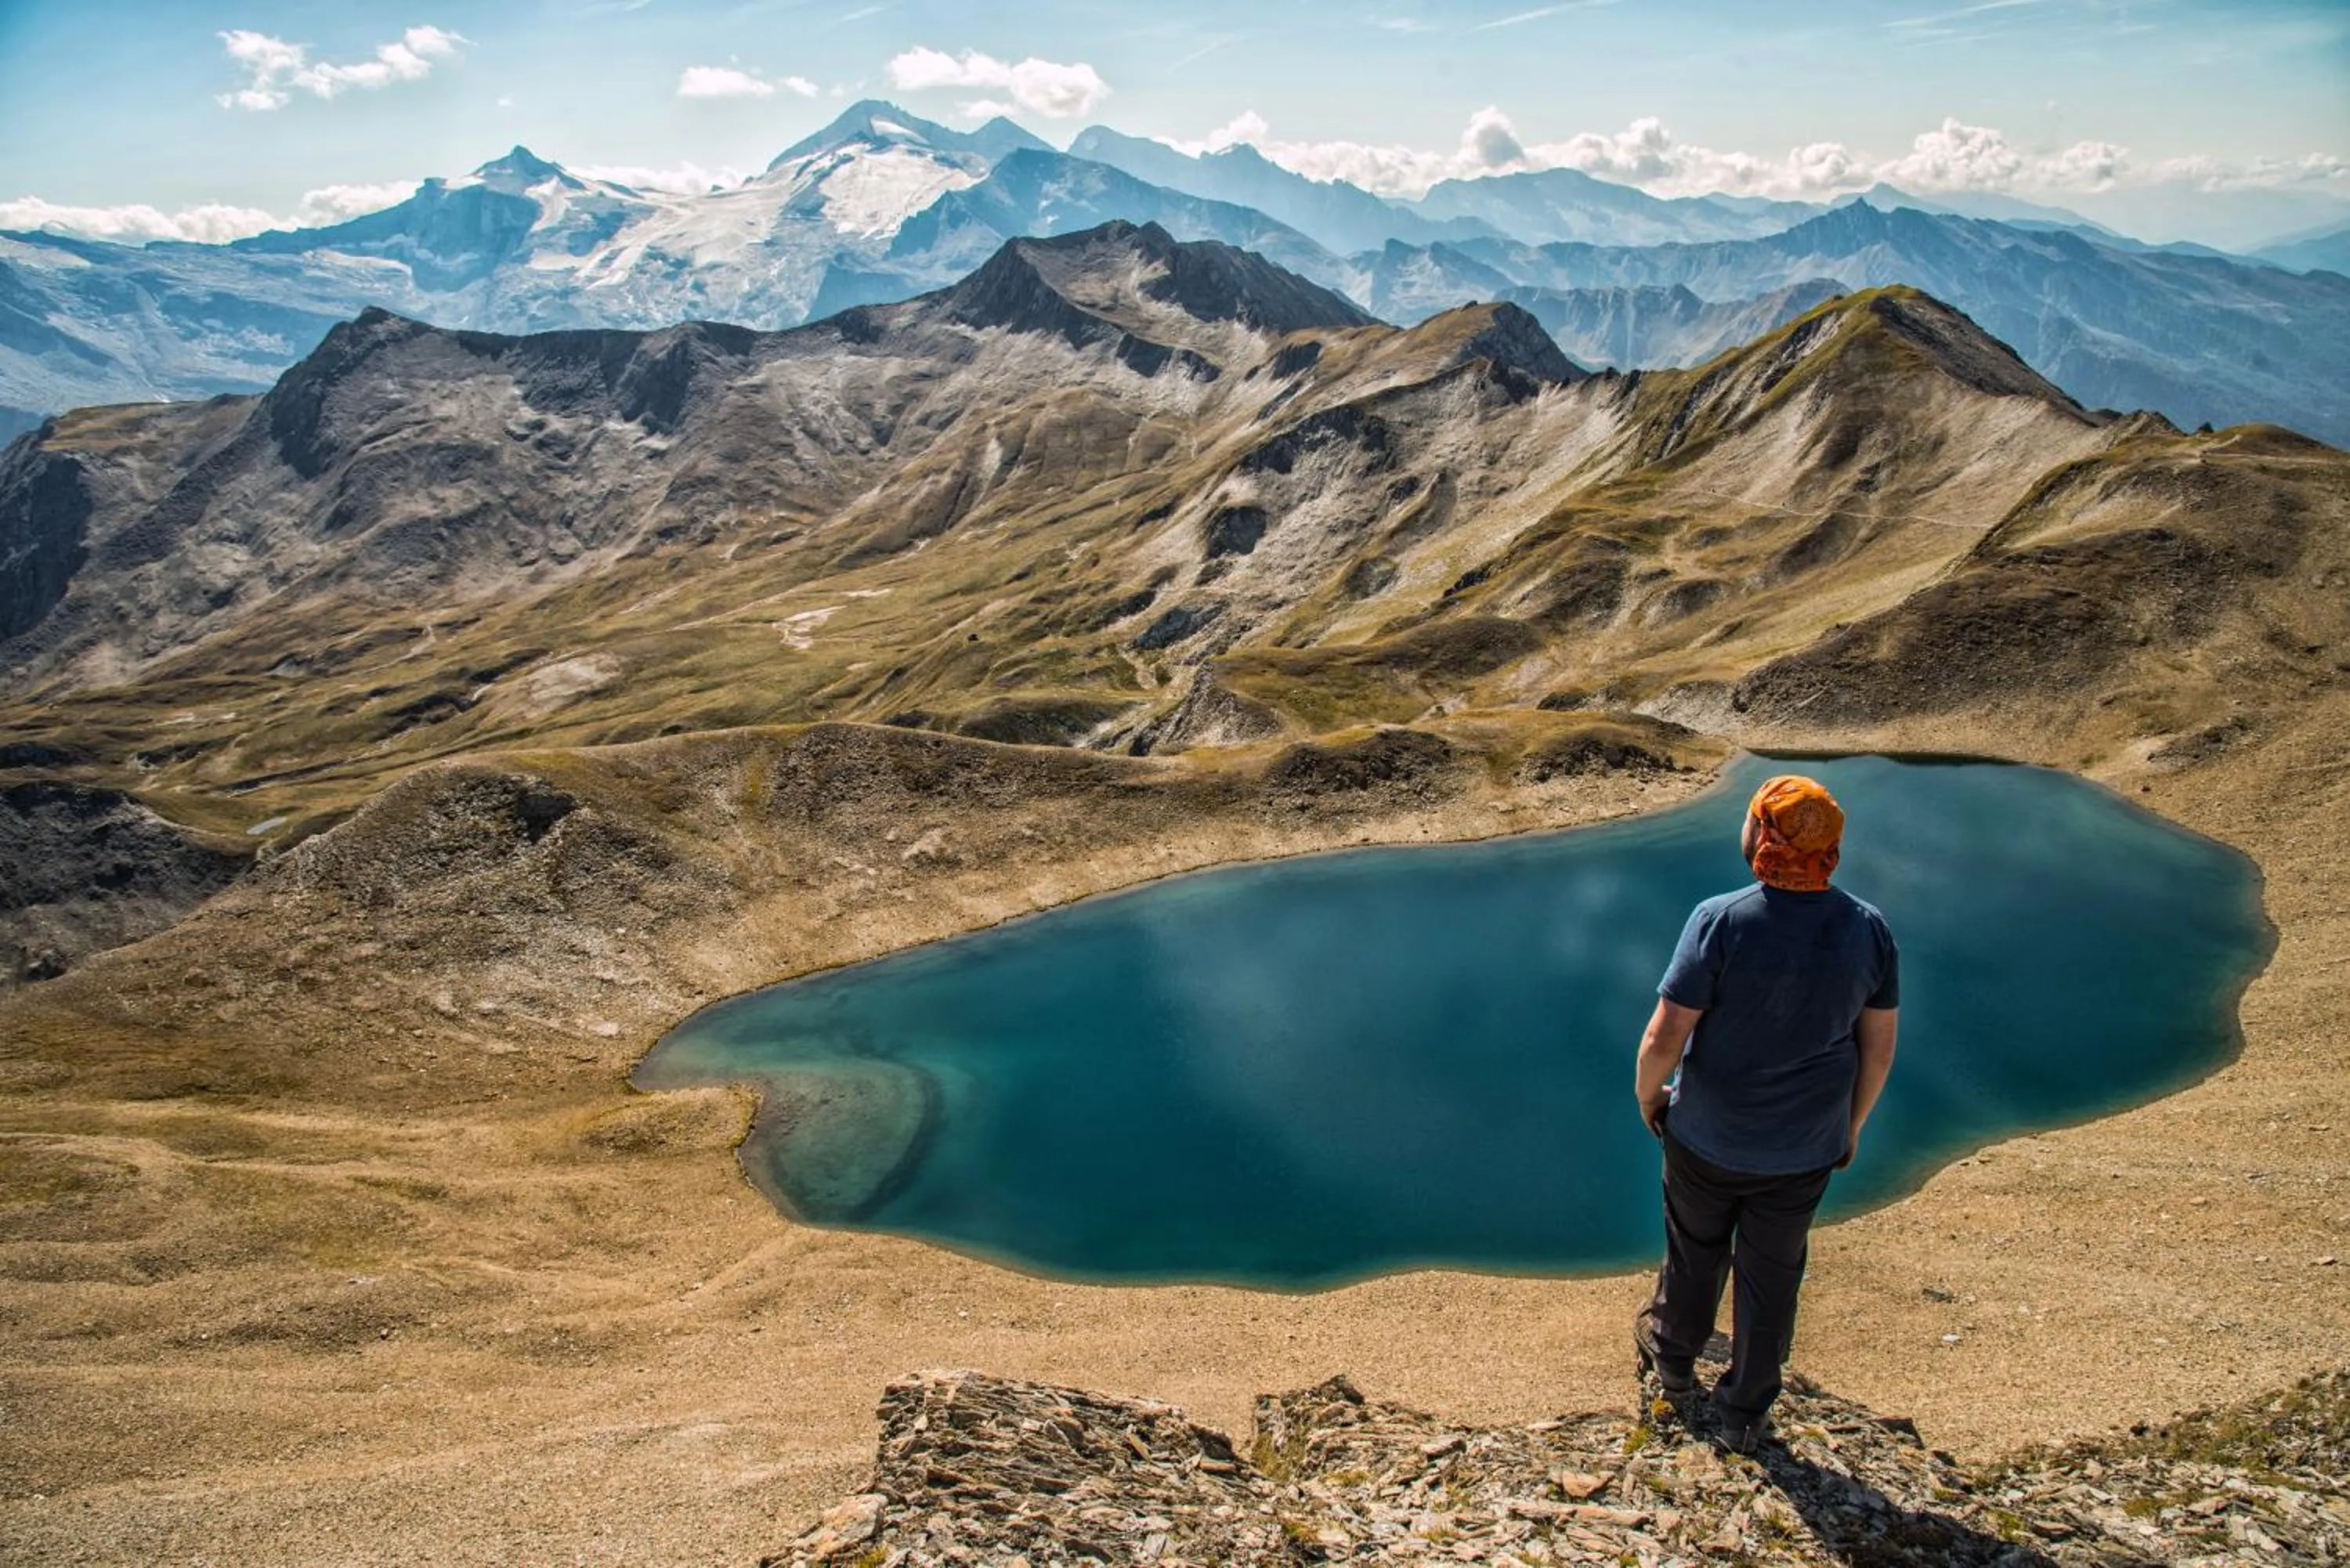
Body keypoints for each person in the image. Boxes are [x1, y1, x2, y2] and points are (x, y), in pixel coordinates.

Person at [1629, 773, 1900, 1452]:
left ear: (1761, 835)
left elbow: (1666, 1033)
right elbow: (1878, 1049)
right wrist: (1850, 1127)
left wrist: (1650, 1097)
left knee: (1695, 1251)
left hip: (1705, 1136)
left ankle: (1673, 1364)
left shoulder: (1721, 919)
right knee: (1773, 1274)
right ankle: (1746, 1410)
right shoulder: (1868, 928)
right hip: (1805, 1147)